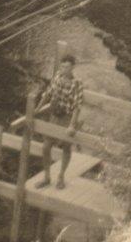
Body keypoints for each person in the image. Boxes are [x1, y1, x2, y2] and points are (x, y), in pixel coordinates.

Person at [36, 53, 84, 190]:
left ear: (73, 67)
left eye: (67, 67)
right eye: (62, 66)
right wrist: (37, 109)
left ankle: (61, 176)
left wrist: (72, 125)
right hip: (54, 116)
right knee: (46, 146)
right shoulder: (57, 77)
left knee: (66, 147)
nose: (64, 69)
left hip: (67, 118)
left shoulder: (77, 84)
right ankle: (46, 177)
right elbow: (47, 94)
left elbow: (77, 106)